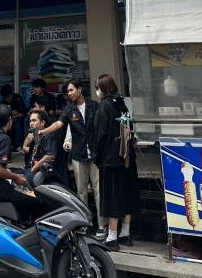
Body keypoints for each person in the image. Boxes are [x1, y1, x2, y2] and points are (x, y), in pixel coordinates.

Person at [39, 80, 107, 240]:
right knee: (81, 191)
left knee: (99, 191)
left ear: (79, 89)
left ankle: (102, 225)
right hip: (79, 154)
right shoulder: (69, 109)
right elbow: (59, 123)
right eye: (67, 91)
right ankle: (84, 223)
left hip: (96, 154)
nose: (69, 93)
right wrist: (46, 131)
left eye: (71, 90)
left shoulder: (94, 106)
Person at [94, 74, 140, 250]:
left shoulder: (104, 105)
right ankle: (125, 234)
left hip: (110, 160)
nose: (97, 91)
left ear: (103, 88)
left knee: (112, 197)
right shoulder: (121, 103)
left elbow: (101, 133)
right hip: (127, 158)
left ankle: (112, 237)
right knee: (127, 195)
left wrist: (97, 156)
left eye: (98, 87)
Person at [0, 104, 38, 222]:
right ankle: (26, 226)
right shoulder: (4, 138)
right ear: (9, 120)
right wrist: (15, 177)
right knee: (34, 201)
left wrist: (9, 172)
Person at [23, 109, 58, 188]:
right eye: (30, 121)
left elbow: (50, 156)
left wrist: (35, 167)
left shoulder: (48, 135)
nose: (31, 123)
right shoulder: (35, 136)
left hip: (44, 172)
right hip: (31, 169)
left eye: (34, 120)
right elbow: (24, 147)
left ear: (42, 122)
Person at [0, 84, 27, 150]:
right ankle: (7, 144)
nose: (7, 99)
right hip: (9, 119)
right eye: (5, 98)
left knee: (17, 122)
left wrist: (14, 114)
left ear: (11, 94)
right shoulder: (3, 101)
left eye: (8, 97)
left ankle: (18, 145)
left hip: (19, 118)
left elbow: (21, 112)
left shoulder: (17, 98)